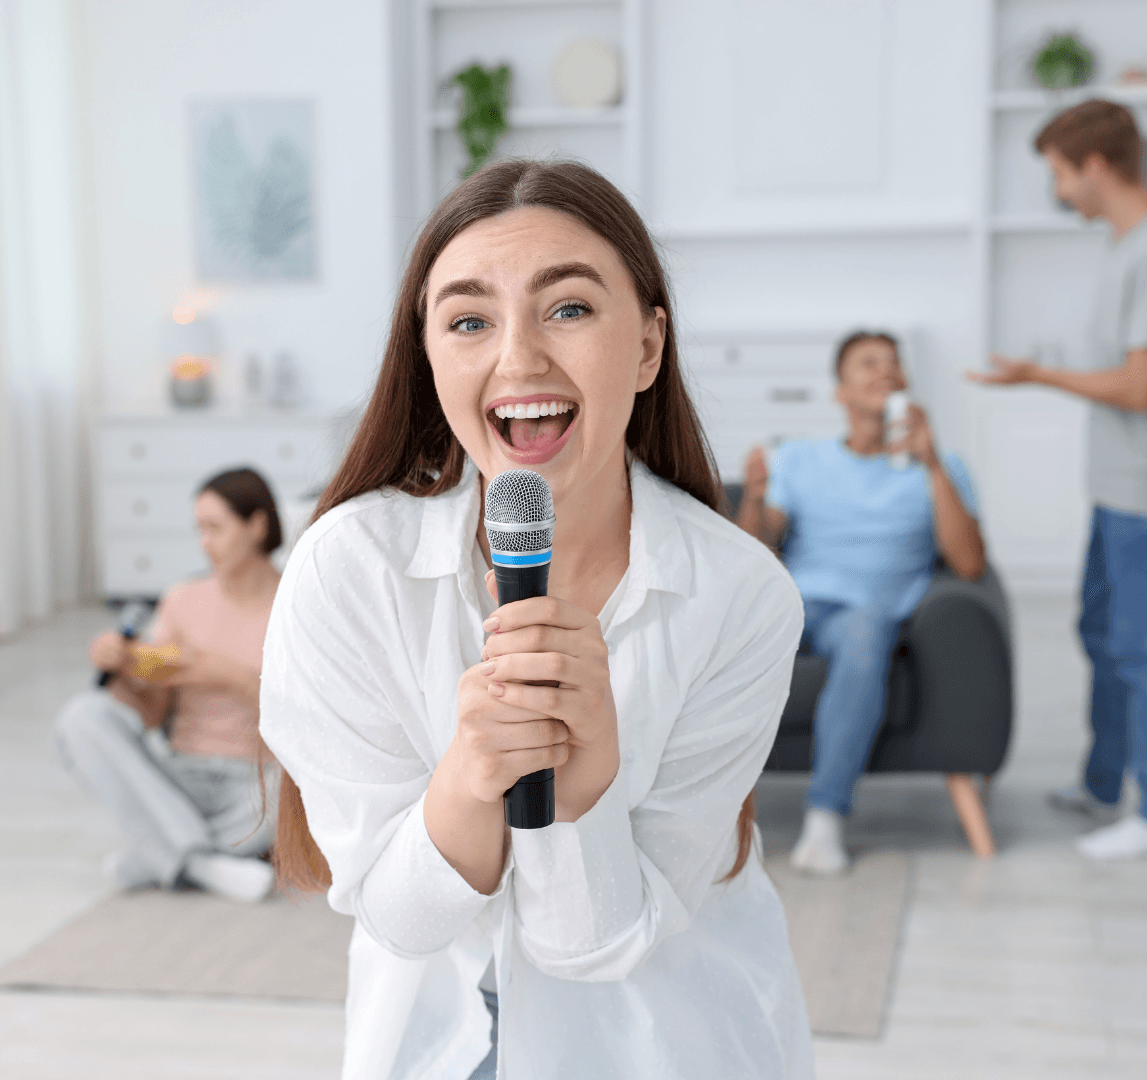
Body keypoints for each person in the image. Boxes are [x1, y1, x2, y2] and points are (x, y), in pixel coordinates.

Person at [259, 160, 813, 1080]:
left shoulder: (740, 594)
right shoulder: (348, 569)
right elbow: (403, 919)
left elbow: (591, 947)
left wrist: (582, 790)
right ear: (430, 359)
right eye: (470, 321)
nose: (518, 359)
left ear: (646, 348)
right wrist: (474, 774)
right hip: (438, 1041)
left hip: (671, 1041)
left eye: (568, 308)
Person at [969, 99, 1147, 861]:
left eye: (1059, 174)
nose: (1058, 189)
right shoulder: (1119, 245)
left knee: (1135, 649)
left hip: (1140, 496)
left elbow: (1138, 388)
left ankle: (1140, 809)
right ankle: (1105, 784)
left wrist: (1039, 376)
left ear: (1096, 166)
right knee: (1101, 636)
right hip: (1114, 489)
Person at [737, 332, 986, 875]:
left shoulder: (942, 466)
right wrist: (754, 498)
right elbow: (755, 555)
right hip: (796, 605)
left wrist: (933, 463)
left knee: (866, 632)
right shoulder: (801, 460)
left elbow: (969, 565)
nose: (886, 372)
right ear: (839, 393)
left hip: (867, 615)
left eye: (894, 365)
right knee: (715, 639)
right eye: (868, 363)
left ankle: (825, 820)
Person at [54, 468, 283, 903]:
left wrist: (227, 674)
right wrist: (125, 674)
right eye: (199, 530)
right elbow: (155, 713)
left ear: (257, 525)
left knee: (304, 789)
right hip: (183, 776)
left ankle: (157, 853)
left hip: (260, 782)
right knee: (82, 717)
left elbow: (315, 718)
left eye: (215, 528)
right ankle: (203, 863)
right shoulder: (183, 599)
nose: (204, 542)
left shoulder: (298, 601)